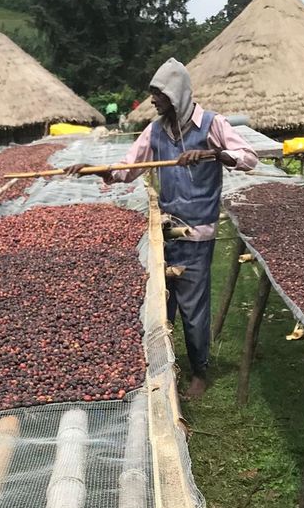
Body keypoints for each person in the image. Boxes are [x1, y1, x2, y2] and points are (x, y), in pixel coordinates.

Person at [68, 59, 257, 399]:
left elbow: (248, 157)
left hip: (198, 232)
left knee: (193, 306)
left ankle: (200, 372)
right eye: (153, 94)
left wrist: (213, 154)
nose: (153, 101)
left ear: (176, 95)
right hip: (165, 230)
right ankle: (163, 366)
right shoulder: (155, 130)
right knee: (162, 303)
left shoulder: (212, 124)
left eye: (158, 95)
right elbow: (130, 167)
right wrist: (97, 170)